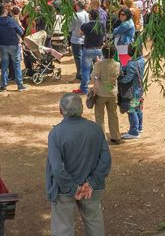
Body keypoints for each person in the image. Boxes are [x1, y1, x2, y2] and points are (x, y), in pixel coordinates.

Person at [46, 94, 111, 236]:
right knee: (95, 223)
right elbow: (105, 160)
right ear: (82, 109)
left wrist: (73, 188)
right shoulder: (96, 129)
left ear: (60, 110)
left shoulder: (56, 134)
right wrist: (91, 183)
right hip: (92, 189)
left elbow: (57, 168)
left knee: (63, 228)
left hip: (63, 189)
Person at [92, 45, 122, 144]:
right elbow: (118, 75)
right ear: (114, 54)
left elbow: (94, 77)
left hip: (101, 93)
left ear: (103, 53)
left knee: (99, 116)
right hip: (113, 93)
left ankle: (102, 138)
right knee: (113, 114)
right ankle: (116, 136)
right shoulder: (117, 64)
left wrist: (96, 65)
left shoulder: (99, 64)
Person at [0, 5, 27, 92]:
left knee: (4, 66)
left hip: (3, 45)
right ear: (4, 11)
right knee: (16, 65)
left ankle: (3, 85)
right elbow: (20, 32)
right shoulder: (11, 20)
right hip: (13, 44)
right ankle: (20, 85)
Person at [74, 9, 105, 95]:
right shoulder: (101, 25)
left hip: (88, 49)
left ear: (90, 16)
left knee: (85, 70)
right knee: (99, 70)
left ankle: (84, 89)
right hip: (99, 49)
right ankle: (100, 88)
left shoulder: (85, 26)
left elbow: (80, 33)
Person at [120, 44, 145, 140]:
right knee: (138, 108)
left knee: (131, 110)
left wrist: (119, 79)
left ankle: (134, 132)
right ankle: (139, 127)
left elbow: (127, 79)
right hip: (140, 88)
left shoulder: (131, 64)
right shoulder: (142, 60)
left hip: (133, 90)